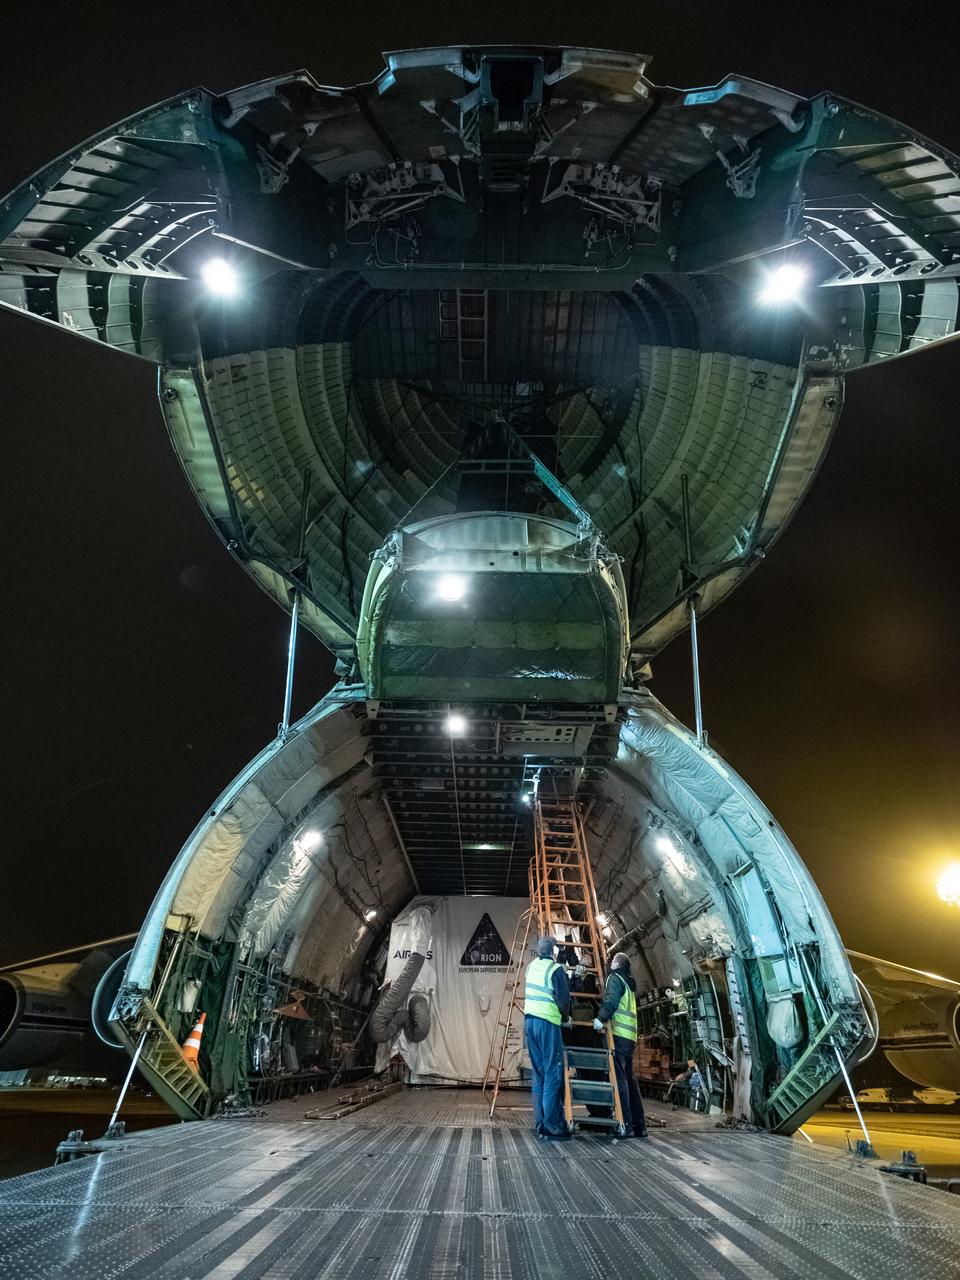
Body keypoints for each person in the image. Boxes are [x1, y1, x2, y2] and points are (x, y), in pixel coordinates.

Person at [593, 952, 647, 1137]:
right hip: (630, 1037)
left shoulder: (614, 979)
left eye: (612, 962)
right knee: (630, 1081)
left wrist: (601, 1018)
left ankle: (625, 1125)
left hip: (618, 1036)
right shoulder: (630, 983)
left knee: (620, 1080)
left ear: (616, 965)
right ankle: (640, 1125)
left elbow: (611, 1001)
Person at [524, 935, 572, 1140]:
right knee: (553, 1072)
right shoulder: (556, 970)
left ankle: (541, 1122)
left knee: (539, 1073)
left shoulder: (530, 967)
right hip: (548, 1023)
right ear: (553, 952)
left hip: (530, 1022)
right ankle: (553, 1126)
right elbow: (563, 1001)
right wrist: (567, 1018)